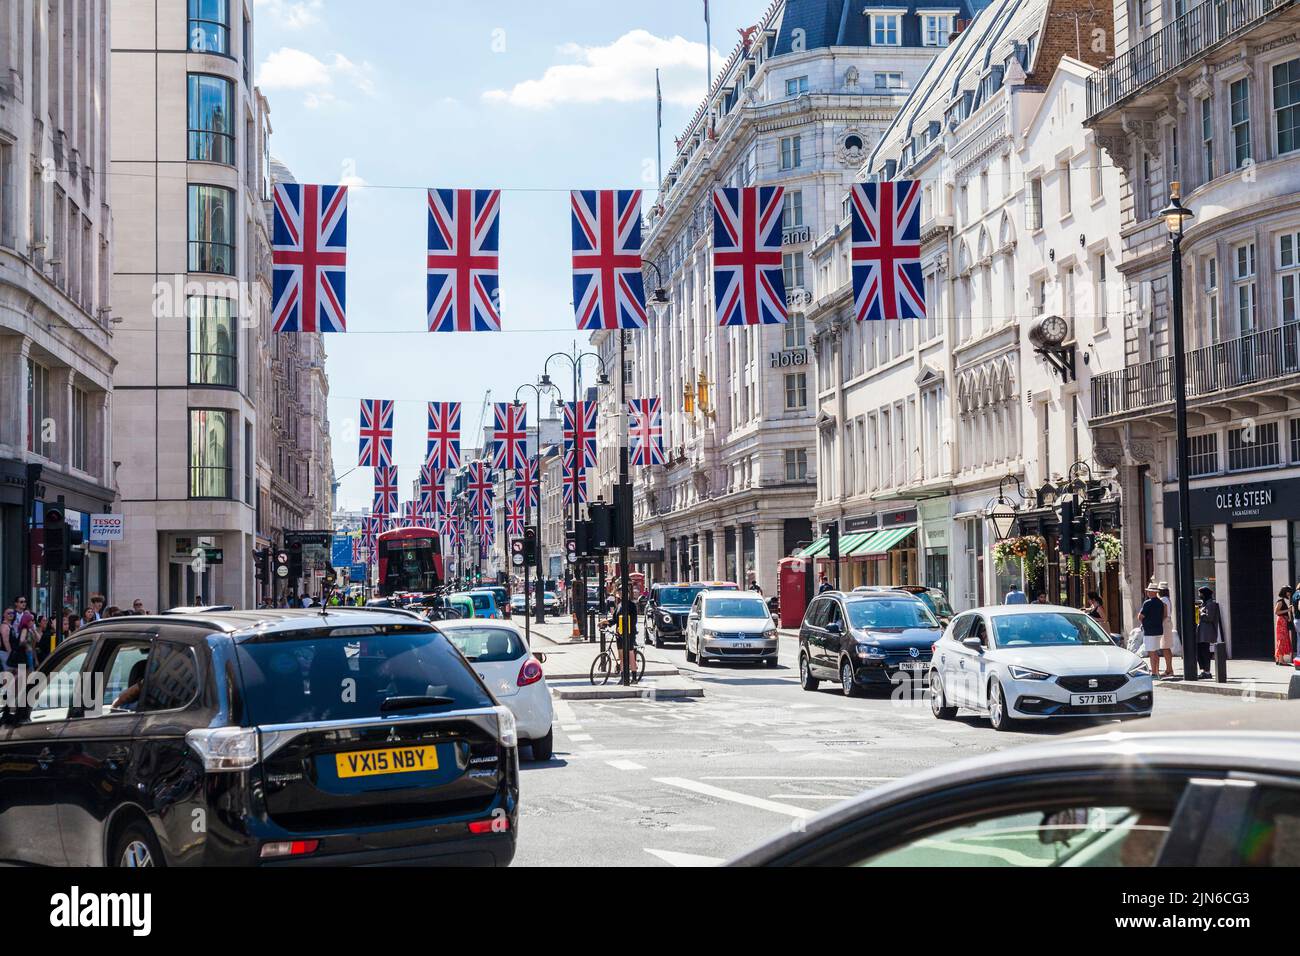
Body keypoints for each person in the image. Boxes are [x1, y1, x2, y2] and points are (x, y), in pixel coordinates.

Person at [1139, 581, 1173, 678]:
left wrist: (1145, 623)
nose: (1148, 593)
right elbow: (1164, 614)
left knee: (1153, 652)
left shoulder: (1154, 602)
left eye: (1149, 591)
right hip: (1159, 628)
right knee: (1157, 650)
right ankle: (1158, 671)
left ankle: (1155, 672)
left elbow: (1140, 616)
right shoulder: (1162, 601)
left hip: (1152, 629)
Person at [1195, 587, 1224, 679]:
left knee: (1205, 651)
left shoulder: (1211, 604)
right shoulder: (1204, 604)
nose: (1200, 596)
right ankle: (1203, 670)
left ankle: (1207, 671)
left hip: (1207, 632)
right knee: (1199, 651)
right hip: (1201, 632)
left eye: (1201, 594)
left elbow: (1209, 618)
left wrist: (1199, 613)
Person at [1276, 587, 1295, 666]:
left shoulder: (1283, 601)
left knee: (1282, 640)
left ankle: (1279, 659)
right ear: (1285, 592)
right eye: (1288, 592)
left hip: (1282, 621)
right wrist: (1288, 610)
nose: (1289, 594)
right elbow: (1276, 612)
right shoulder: (1280, 601)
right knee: (1282, 640)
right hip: (1281, 622)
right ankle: (1281, 660)